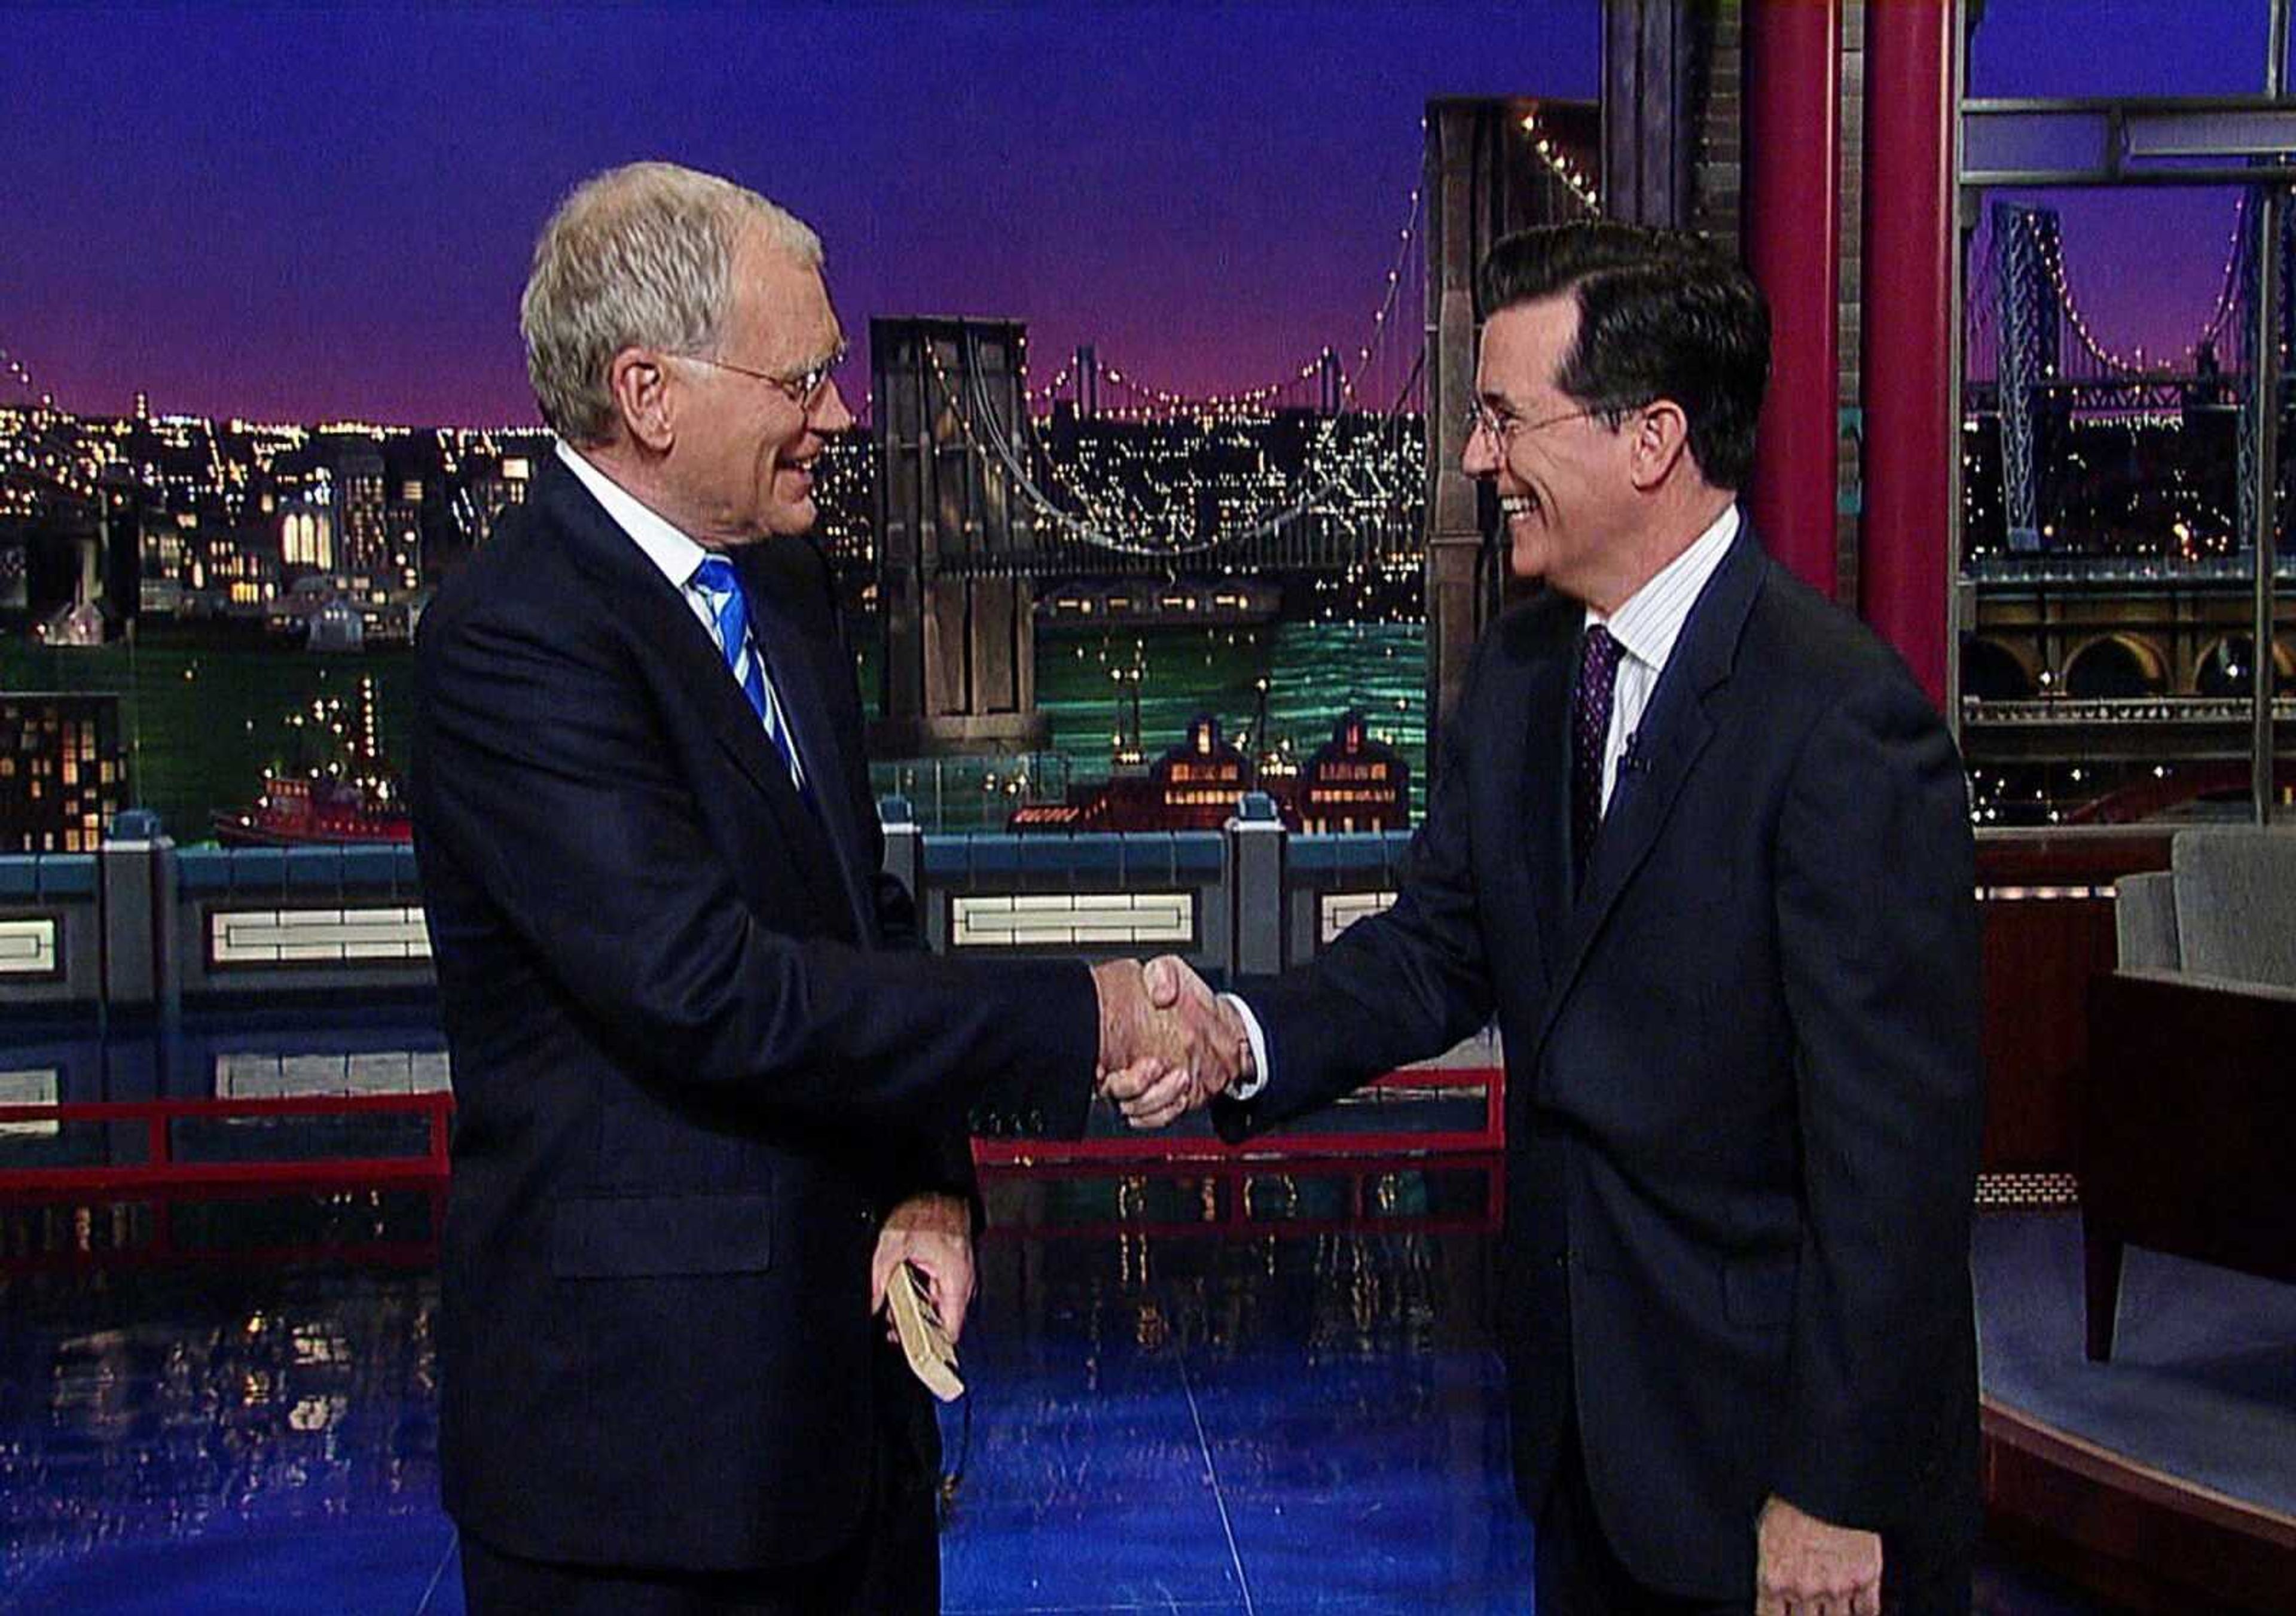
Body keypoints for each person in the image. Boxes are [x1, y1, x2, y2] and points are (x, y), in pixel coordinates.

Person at [1111, 221, 1983, 1615]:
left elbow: (1900, 1167)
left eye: (1505, 418)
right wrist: (1235, 1032)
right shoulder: (1522, 679)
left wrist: (1834, 1485)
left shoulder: (1839, 725)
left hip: (1782, 1482)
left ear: (1652, 438)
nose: (1472, 458)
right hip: (1582, 1450)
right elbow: (1438, 946)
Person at [410, 161, 1235, 1615]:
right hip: (644, 1468)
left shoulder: (787, 586)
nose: (841, 416)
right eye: (800, 378)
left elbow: (862, 921)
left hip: (853, 1430)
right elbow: (713, 992)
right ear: (650, 394)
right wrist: (1083, 1017)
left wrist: (932, 1177)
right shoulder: (510, 642)